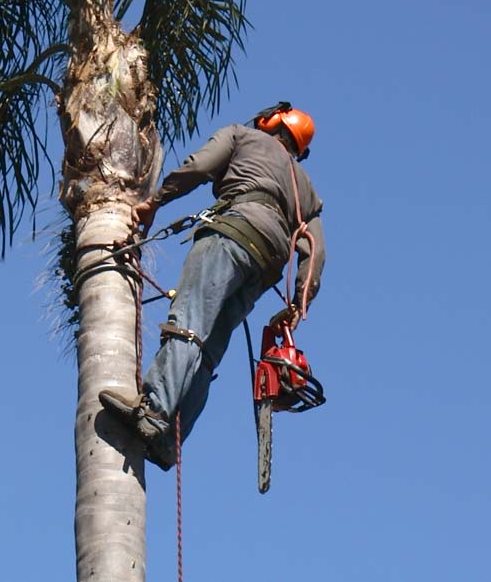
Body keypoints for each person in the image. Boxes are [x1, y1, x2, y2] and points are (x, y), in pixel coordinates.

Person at [98, 103, 327, 470]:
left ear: (270, 122)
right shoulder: (307, 189)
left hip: (231, 235)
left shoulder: (242, 135)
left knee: (189, 324)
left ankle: (154, 409)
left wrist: (155, 201)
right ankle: (171, 442)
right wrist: (299, 305)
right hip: (265, 266)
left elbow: (199, 167)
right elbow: (315, 254)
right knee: (208, 352)